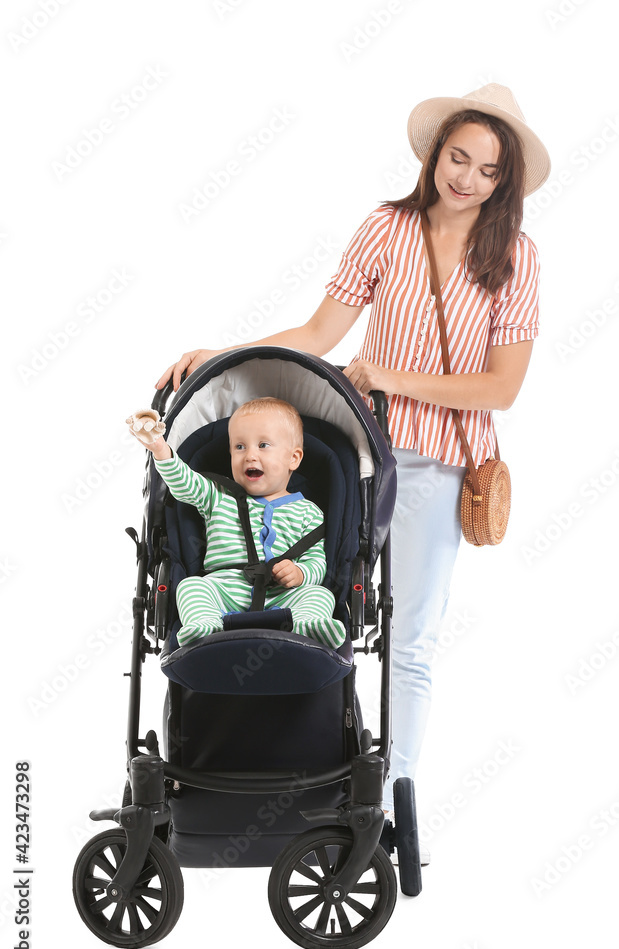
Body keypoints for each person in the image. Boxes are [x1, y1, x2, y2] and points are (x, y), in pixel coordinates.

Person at [155, 84, 550, 815]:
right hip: (361, 456)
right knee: (328, 606)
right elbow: (316, 336)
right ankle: (300, 766)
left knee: (410, 639)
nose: (464, 178)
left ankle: (390, 800)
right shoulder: (386, 227)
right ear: (434, 154)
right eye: (455, 157)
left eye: (486, 169)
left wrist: (389, 375)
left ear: (505, 181)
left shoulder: (515, 257)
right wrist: (224, 354)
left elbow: (500, 389)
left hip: (435, 464)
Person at [127, 396, 347, 650]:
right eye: (239, 447)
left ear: (293, 459)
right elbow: (183, 482)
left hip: (284, 595)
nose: (250, 455)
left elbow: (316, 561)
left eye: (263, 445)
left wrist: (300, 573)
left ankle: (308, 624)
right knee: (191, 587)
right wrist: (159, 448)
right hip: (225, 590)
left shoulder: (309, 512)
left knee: (320, 594)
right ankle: (204, 625)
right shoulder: (217, 496)